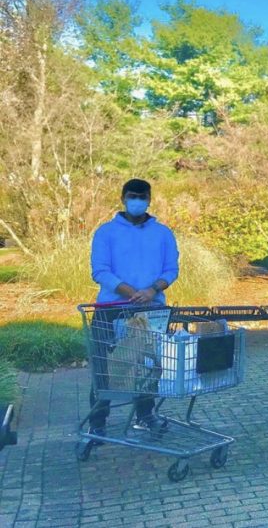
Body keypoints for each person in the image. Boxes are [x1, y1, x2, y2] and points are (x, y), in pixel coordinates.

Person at [87, 179, 179, 440]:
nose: (137, 200)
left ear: (149, 199)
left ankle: (145, 416)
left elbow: (171, 270)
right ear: (123, 198)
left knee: (148, 366)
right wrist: (130, 292)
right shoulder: (105, 232)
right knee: (105, 368)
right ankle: (97, 421)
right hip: (111, 309)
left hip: (151, 311)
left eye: (142, 196)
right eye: (132, 196)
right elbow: (100, 271)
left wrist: (151, 290)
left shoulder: (163, 234)